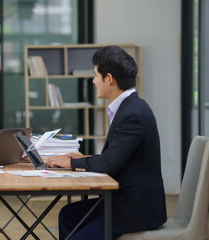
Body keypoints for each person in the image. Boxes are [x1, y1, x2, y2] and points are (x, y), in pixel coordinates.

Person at [47, 45, 167, 239]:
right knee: (67, 215)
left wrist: (70, 163)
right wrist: (83, 158)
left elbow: (109, 164)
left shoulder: (133, 114)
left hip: (134, 210)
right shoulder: (130, 107)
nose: (94, 81)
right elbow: (115, 157)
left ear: (109, 79)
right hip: (124, 200)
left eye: (95, 75)